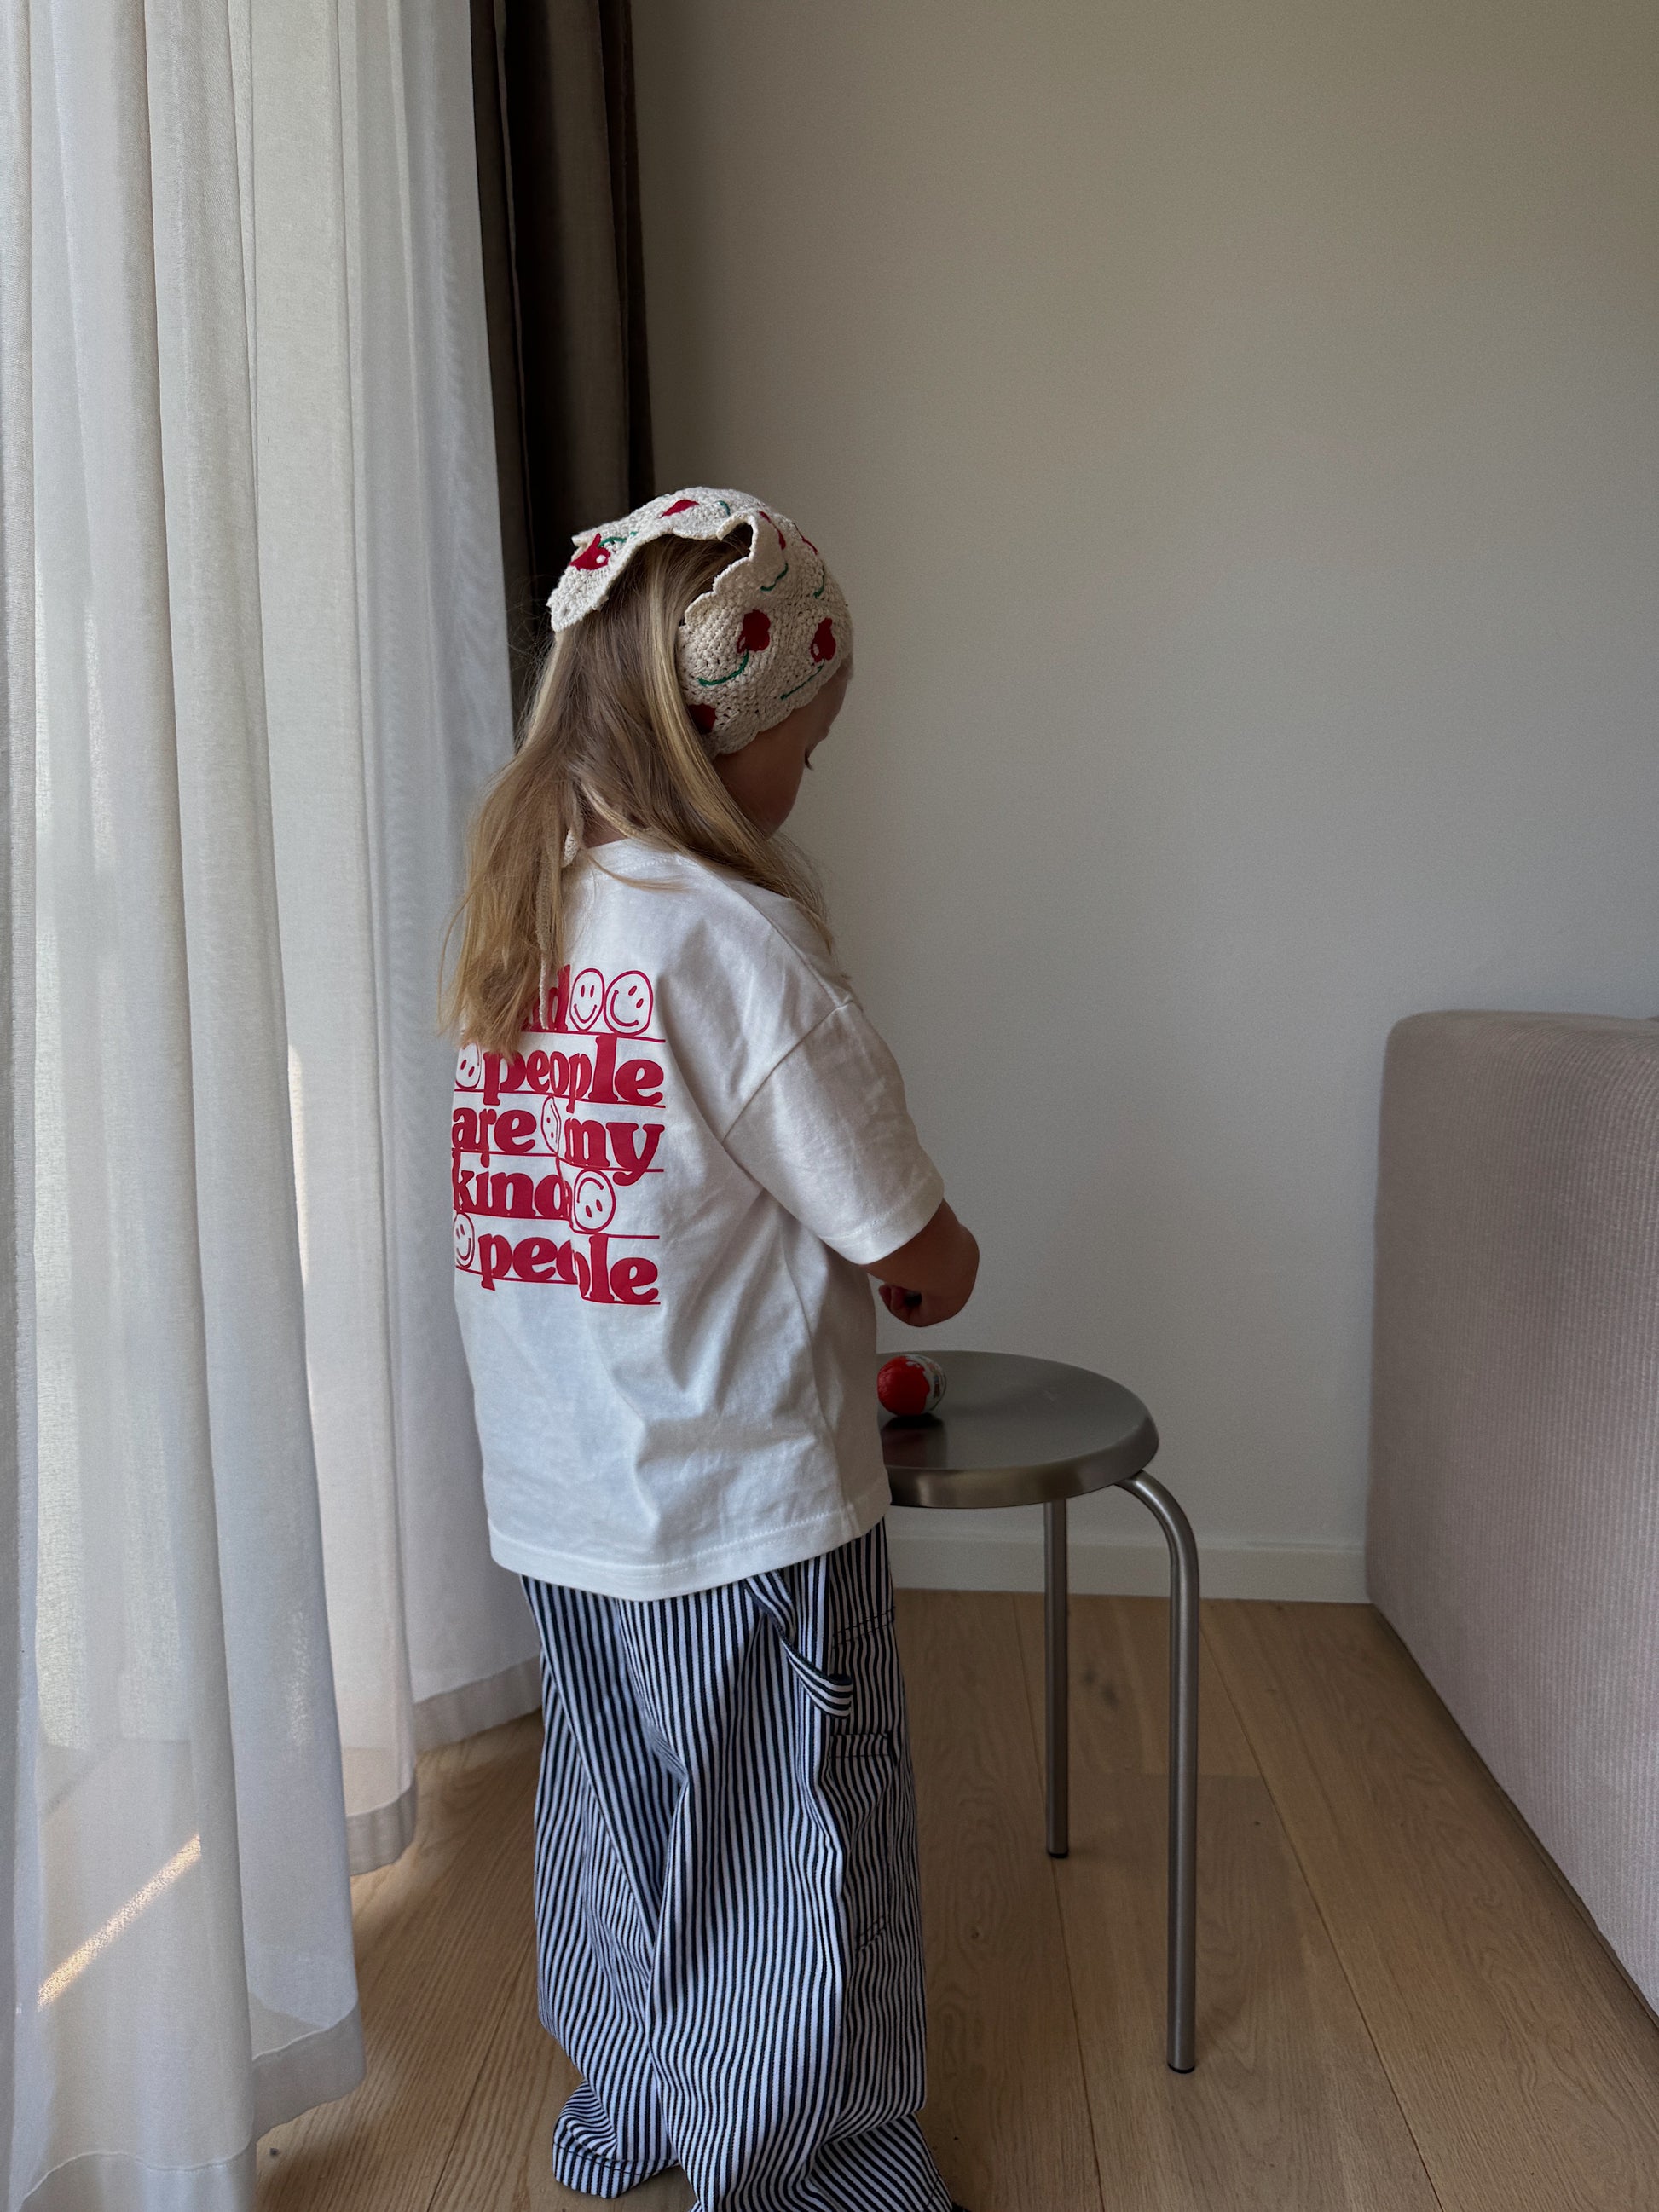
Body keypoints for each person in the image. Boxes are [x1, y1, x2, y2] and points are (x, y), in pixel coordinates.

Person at [442, 488, 977, 2212]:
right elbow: (909, 1252)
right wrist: (938, 1272)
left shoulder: (521, 923)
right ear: (728, 729)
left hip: (563, 1498)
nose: (809, 774)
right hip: (739, 1509)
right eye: (807, 745)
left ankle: (636, 2117)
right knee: (790, 1845)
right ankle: (808, 2175)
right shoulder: (734, 943)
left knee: (615, 1828)